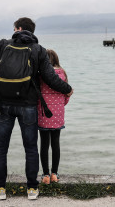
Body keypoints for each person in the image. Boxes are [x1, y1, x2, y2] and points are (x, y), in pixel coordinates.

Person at [0, 17, 73, 200]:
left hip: (3, 104)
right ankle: (32, 189)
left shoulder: (4, 45)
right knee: (30, 148)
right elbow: (50, 77)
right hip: (28, 105)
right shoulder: (38, 49)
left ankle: (0, 189)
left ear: (18, 29)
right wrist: (68, 89)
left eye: (14, 28)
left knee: (1, 148)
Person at [38, 49, 69, 185]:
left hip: (44, 113)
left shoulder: (40, 74)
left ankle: (45, 175)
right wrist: (61, 106)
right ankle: (54, 174)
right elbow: (66, 95)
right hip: (58, 114)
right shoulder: (63, 73)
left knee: (44, 144)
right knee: (56, 143)